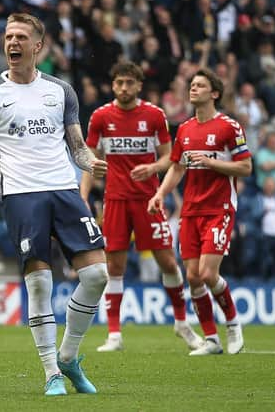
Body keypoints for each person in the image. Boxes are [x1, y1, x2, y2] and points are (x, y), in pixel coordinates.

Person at [0, 13, 108, 396]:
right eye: (8, 36)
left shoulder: (61, 90)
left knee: (97, 276)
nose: (12, 43)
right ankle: (51, 373)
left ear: (37, 46)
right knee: (40, 284)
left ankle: (68, 356)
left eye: (20, 37)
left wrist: (92, 163)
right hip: (21, 194)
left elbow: (77, 147)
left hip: (65, 190)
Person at [80, 61, 203, 353]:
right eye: (119, 83)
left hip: (150, 200)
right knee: (115, 266)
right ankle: (114, 334)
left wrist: (152, 169)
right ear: (113, 86)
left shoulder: (154, 116)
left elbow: (169, 159)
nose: (124, 88)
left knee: (168, 262)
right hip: (116, 202)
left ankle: (182, 323)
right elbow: (90, 160)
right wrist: (82, 195)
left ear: (138, 86)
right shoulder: (100, 117)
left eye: (129, 83)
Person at [148, 68, 252, 355]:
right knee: (192, 276)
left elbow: (245, 167)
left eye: (200, 85)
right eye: (192, 85)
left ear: (214, 93)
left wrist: (211, 162)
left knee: (207, 273)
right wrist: (160, 193)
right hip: (191, 211)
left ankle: (232, 325)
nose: (193, 89)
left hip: (219, 208)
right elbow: (178, 167)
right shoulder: (184, 128)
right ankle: (212, 339)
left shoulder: (229, 127)